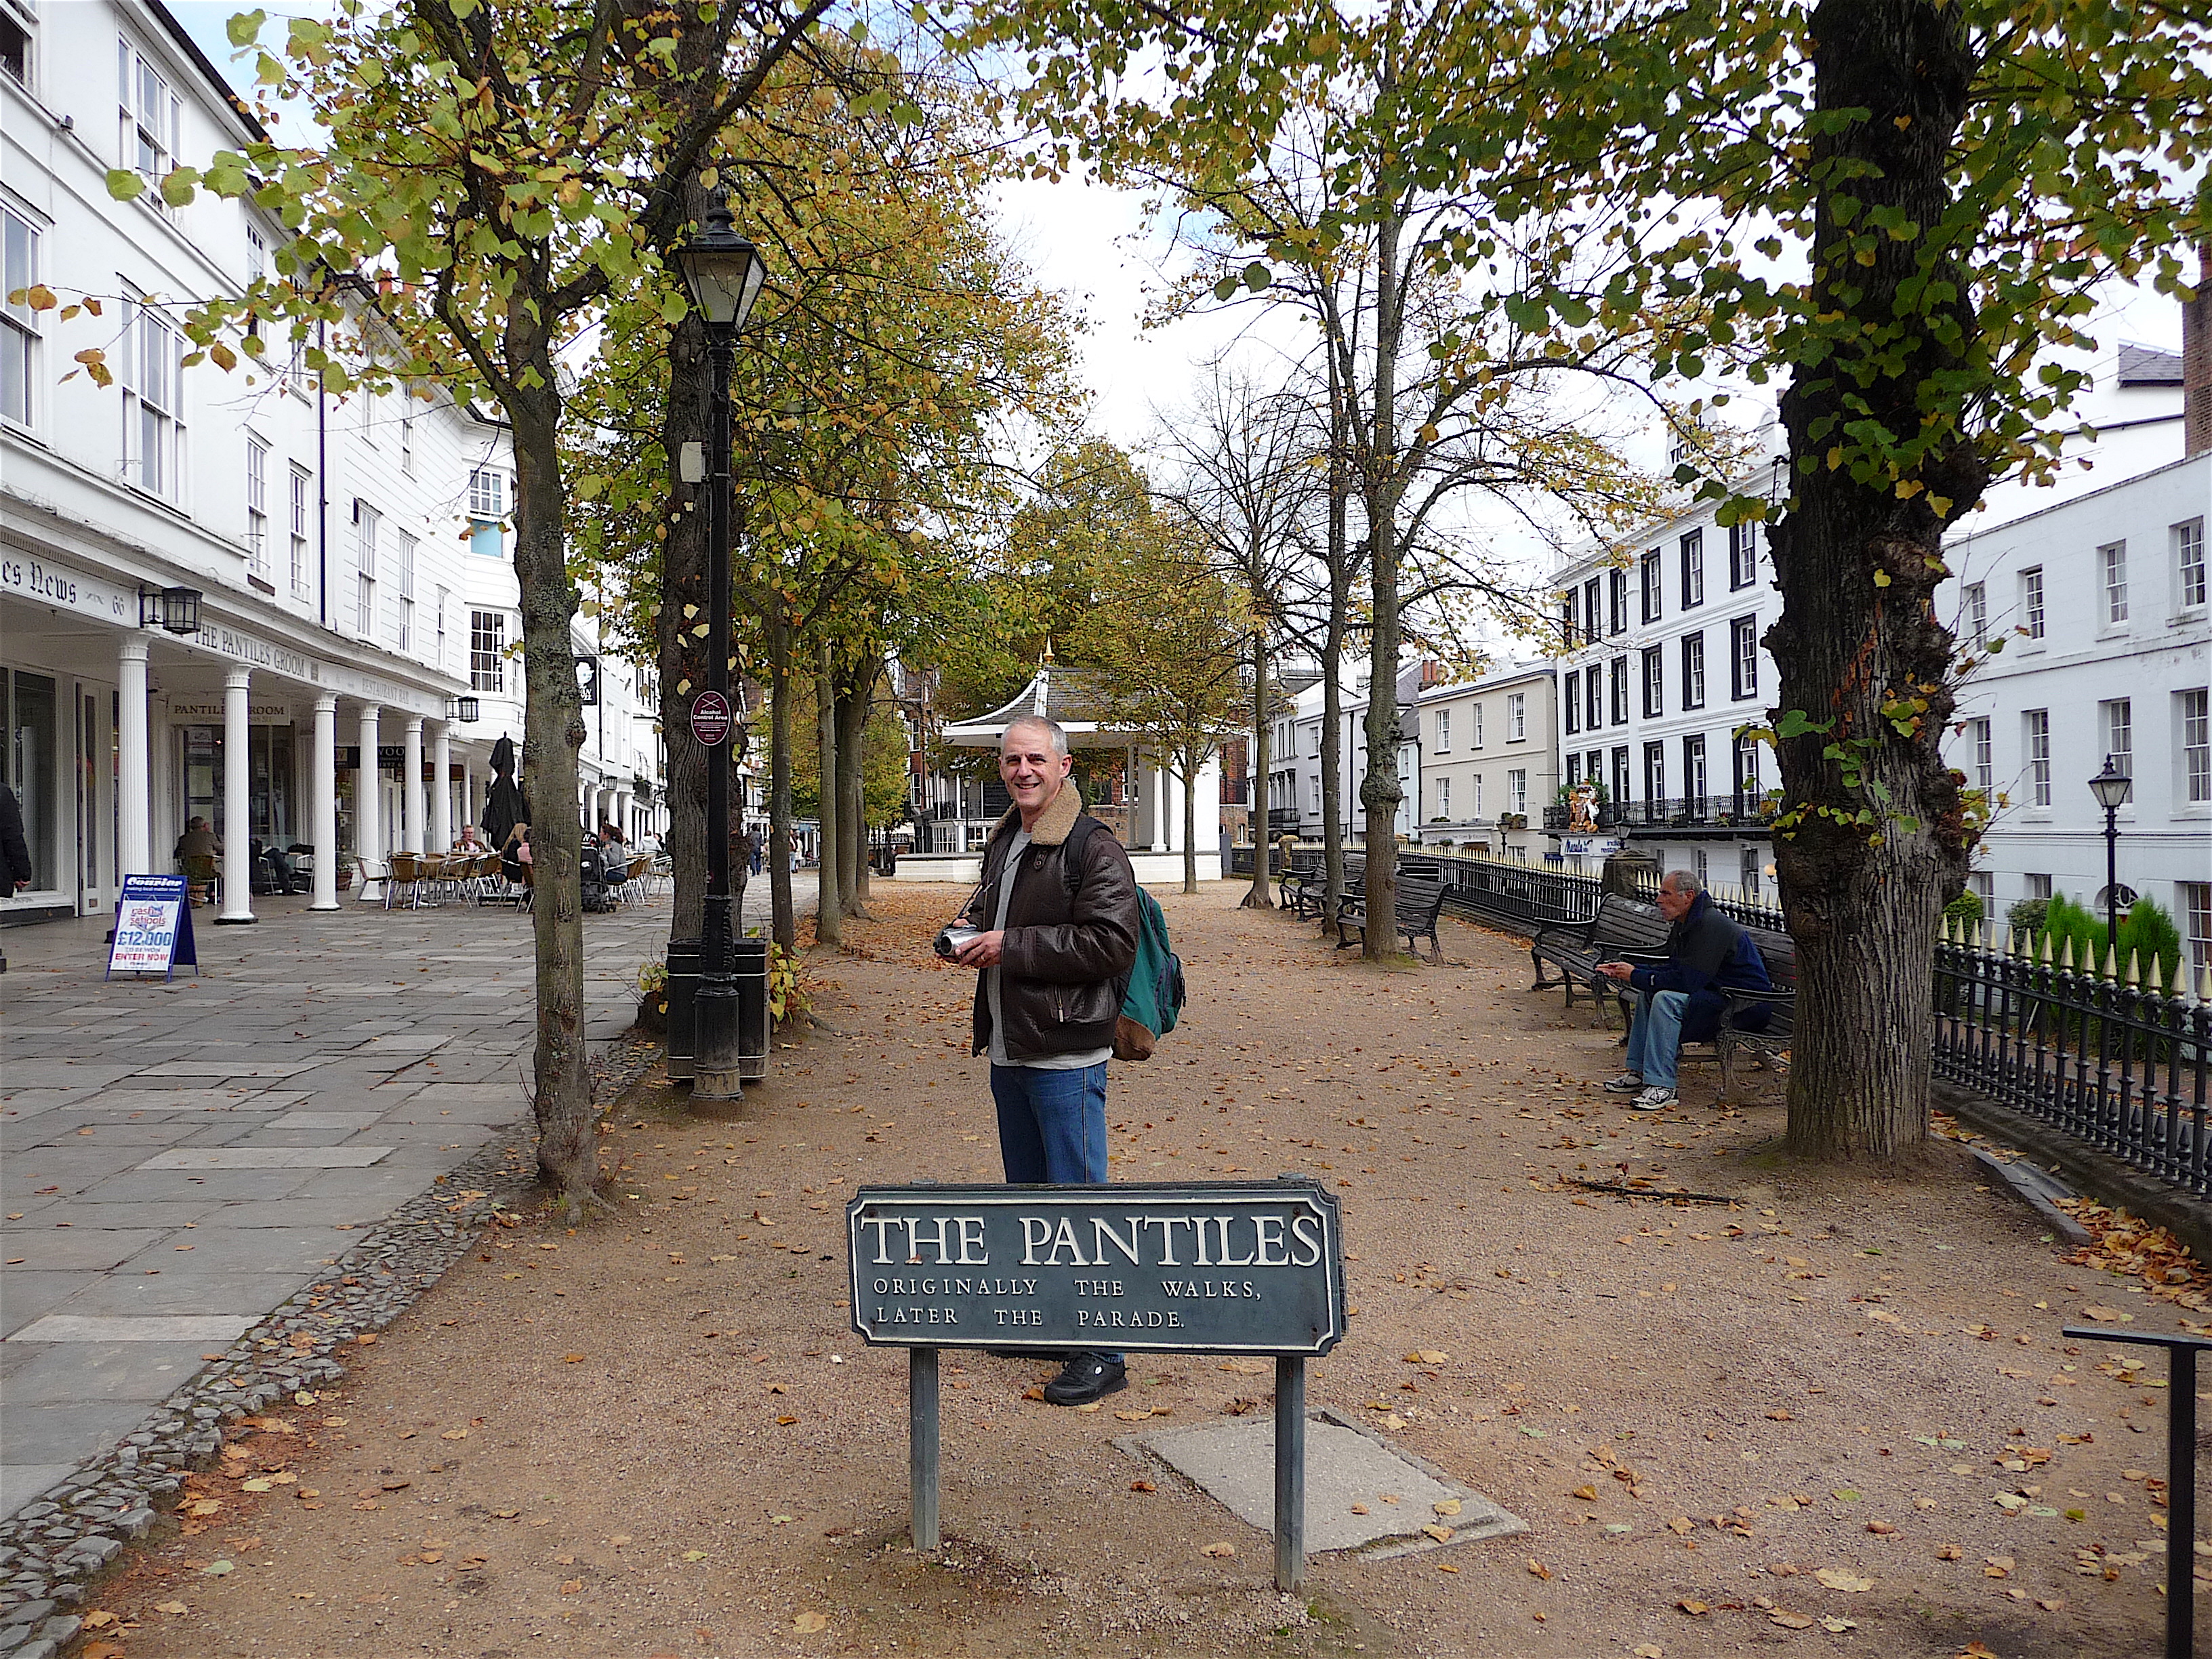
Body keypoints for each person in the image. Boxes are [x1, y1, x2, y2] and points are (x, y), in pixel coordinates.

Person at [950, 714, 1140, 1407]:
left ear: (1064, 766)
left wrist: (1009, 946)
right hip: (1013, 1045)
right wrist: (971, 933)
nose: (1022, 771)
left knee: (1081, 1204)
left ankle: (1104, 1351)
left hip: (1067, 1052)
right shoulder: (1010, 839)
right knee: (1032, 1202)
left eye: (1035, 759)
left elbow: (1111, 944)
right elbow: (1002, 916)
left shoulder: (1093, 846)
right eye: (1011, 760)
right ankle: (1053, 1321)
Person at [1595, 868, 1773, 1111]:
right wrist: (1633, 971)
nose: (1658, 899)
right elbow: (1676, 968)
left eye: (1666, 893)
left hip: (1744, 1006)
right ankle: (1639, 1071)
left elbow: (1688, 981)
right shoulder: (1688, 922)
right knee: (1649, 994)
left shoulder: (1710, 926)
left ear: (1688, 896)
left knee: (1665, 999)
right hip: (1719, 996)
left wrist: (1636, 975)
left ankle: (1663, 1087)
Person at [175, 816, 221, 905]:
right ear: (204, 825)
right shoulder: (210, 836)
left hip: (189, 871)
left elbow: (177, 855)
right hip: (207, 871)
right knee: (220, 870)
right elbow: (221, 849)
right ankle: (215, 894)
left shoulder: (184, 839)